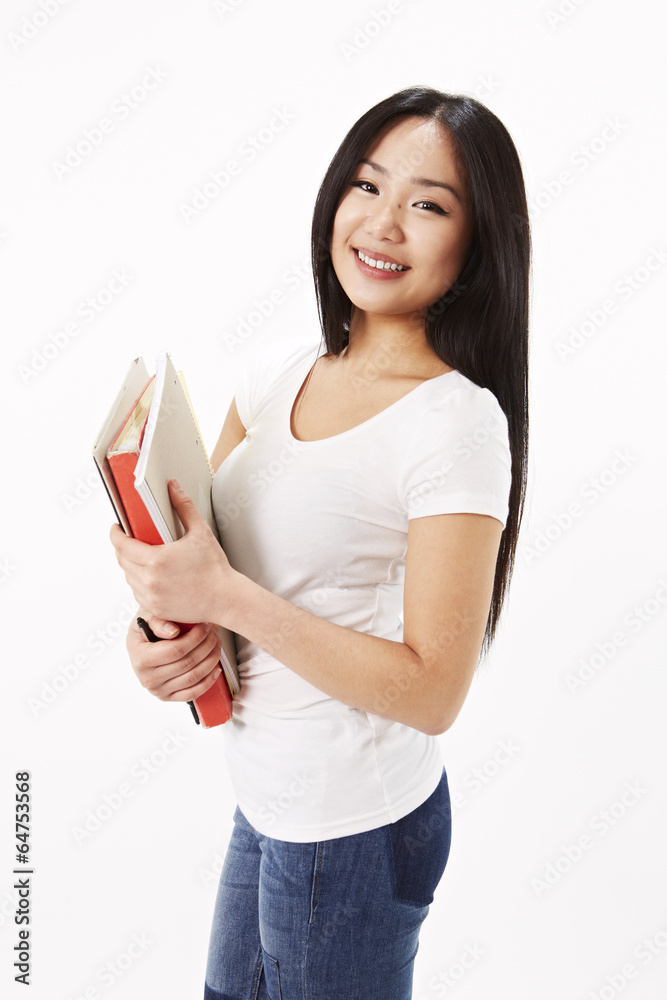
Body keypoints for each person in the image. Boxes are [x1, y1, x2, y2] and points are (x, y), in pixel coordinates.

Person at [110, 85, 531, 1000]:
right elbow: (207, 558)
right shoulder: (278, 372)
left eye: (427, 204)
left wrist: (222, 598)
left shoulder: (455, 424)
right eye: (367, 187)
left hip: (354, 827)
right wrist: (156, 639)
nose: (382, 223)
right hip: (268, 797)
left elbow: (432, 690)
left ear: (473, 245)